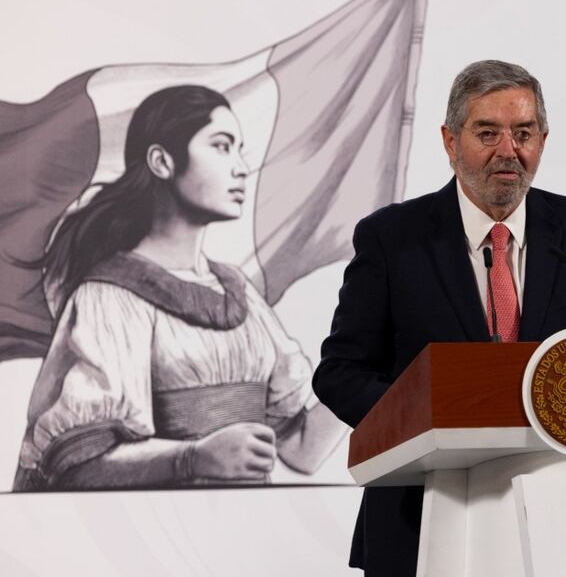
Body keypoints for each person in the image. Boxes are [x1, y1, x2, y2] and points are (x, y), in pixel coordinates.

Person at [312, 60, 566, 577]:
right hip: (422, 520)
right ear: (449, 141)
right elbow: (339, 372)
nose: (508, 150)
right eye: (487, 132)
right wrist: (424, 419)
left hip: (562, 526)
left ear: (543, 139)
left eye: (524, 132)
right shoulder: (391, 238)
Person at [13, 84, 345, 491]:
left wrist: (381, 364)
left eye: (240, 149)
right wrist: (193, 458)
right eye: (222, 147)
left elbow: (301, 447)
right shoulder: (110, 297)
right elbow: (78, 466)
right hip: (154, 537)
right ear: (161, 161)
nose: (241, 167)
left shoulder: (237, 292)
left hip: (249, 533)